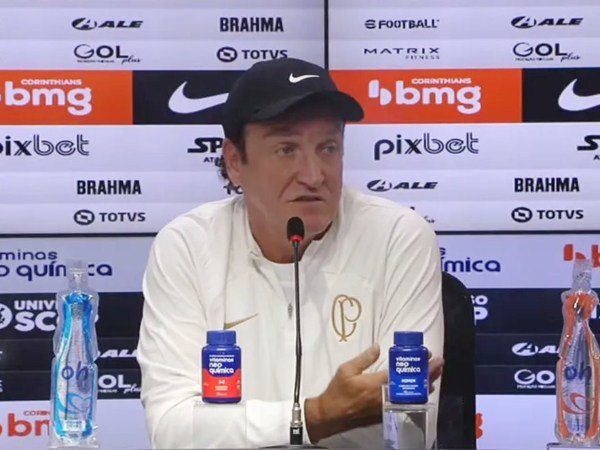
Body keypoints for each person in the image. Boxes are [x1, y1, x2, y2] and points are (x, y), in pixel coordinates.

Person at [136, 57, 445, 449]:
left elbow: (409, 426)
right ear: (235, 161)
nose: (314, 175)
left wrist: (245, 428)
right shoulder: (187, 247)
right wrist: (317, 415)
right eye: (286, 149)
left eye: (328, 148)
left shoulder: (398, 237)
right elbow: (173, 430)